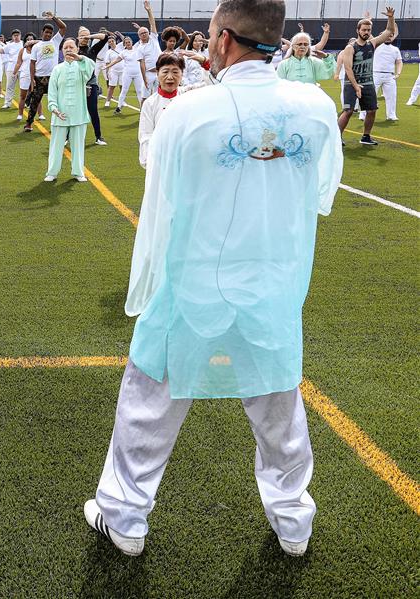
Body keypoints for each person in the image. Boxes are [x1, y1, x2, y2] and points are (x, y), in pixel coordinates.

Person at [83, 0, 343, 559]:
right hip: (275, 280)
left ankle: (125, 516)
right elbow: (322, 195)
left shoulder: (190, 111)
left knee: (149, 397)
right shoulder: (315, 107)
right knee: (278, 402)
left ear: (224, 40)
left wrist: (146, 287)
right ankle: (293, 520)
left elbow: (160, 209)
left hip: (193, 280)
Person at [338, 7, 397, 146]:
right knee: (348, 111)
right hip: (351, 83)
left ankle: (366, 136)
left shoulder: (372, 44)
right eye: (364, 30)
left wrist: (390, 18)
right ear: (358, 30)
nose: (366, 32)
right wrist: (356, 86)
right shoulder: (350, 48)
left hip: (368, 82)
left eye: (368, 30)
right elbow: (348, 68)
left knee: (371, 110)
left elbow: (389, 31)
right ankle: (337, 137)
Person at [44, 38, 94, 183]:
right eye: (65, 47)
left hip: (79, 114)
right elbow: (52, 91)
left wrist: (80, 58)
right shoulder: (57, 69)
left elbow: (91, 67)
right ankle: (52, 172)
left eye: (71, 47)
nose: (68, 49)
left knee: (78, 145)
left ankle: (78, 172)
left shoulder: (82, 67)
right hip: (60, 115)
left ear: (77, 49)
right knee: (56, 146)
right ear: (61, 50)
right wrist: (54, 108)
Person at [138, 52, 193, 169]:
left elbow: (215, 85)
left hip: (187, 163)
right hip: (160, 164)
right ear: (157, 74)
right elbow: (145, 135)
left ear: (182, 74)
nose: (170, 77)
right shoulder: (150, 104)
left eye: (175, 72)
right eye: (165, 71)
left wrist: (204, 62)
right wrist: (151, 163)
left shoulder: (189, 95)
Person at [24, 11, 67, 132]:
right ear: (42, 32)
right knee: (35, 102)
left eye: (50, 32)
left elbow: (63, 27)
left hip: (54, 78)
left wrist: (53, 17)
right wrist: (32, 79)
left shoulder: (55, 41)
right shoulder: (36, 46)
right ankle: (28, 123)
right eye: (46, 32)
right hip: (39, 78)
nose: (48, 34)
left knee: (58, 101)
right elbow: (32, 63)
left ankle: (59, 122)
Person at [77, 27, 110, 145]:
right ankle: (67, 137)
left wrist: (89, 36)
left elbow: (105, 37)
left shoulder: (92, 50)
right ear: (77, 37)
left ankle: (98, 137)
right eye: (82, 36)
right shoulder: (74, 50)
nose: (85, 38)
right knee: (73, 111)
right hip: (76, 85)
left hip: (91, 84)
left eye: (87, 36)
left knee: (93, 111)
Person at [106, 36, 146, 115]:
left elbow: (142, 38)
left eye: (129, 42)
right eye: (126, 42)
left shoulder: (137, 48)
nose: (128, 43)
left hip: (138, 74)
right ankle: (119, 107)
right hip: (127, 74)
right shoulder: (123, 52)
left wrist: (138, 28)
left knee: (139, 91)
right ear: (124, 44)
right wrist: (108, 66)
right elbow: (116, 60)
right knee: (124, 90)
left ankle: (142, 109)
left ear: (132, 42)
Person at [131, 1, 161, 95]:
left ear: (148, 33)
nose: (144, 34)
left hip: (160, 72)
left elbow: (152, 23)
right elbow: (142, 65)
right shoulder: (140, 48)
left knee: (159, 96)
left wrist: (149, 11)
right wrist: (144, 79)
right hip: (149, 74)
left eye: (145, 32)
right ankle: (143, 110)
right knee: (145, 97)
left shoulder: (153, 37)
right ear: (139, 36)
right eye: (141, 33)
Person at [369, 37, 402, 121]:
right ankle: (363, 114)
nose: (388, 38)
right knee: (370, 96)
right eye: (386, 36)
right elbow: (370, 37)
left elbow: (399, 62)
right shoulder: (376, 46)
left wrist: (398, 73)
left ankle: (391, 115)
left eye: (390, 36)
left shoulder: (395, 49)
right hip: (376, 74)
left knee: (391, 96)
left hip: (390, 76)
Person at [13, 38, 43, 122]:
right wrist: (14, 73)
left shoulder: (38, 48)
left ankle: (40, 114)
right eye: (28, 39)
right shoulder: (23, 50)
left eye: (32, 39)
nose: (30, 40)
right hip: (25, 75)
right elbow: (19, 62)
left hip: (35, 75)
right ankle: (20, 114)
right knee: (23, 96)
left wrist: (33, 41)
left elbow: (42, 42)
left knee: (37, 96)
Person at [1, 29, 24, 108]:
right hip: (11, 68)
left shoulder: (24, 44)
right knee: (9, 86)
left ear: (20, 36)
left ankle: (25, 103)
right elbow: (1, 50)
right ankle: (7, 103)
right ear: (12, 37)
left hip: (22, 69)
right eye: (14, 35)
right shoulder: (10, 45)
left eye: (17, 35)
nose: (16, 37)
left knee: (23, 87)